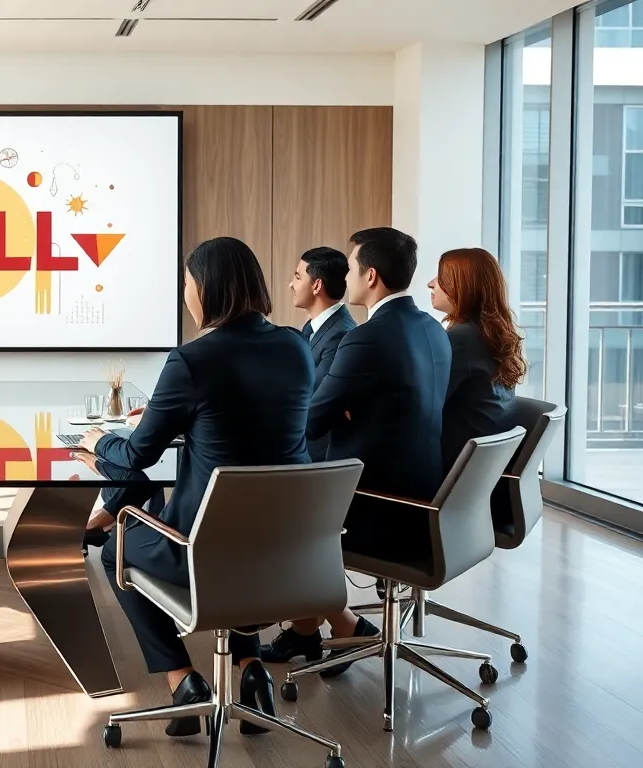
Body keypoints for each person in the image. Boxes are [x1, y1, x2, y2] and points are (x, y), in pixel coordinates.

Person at [75, 237, 314, 739]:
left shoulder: (191, 360)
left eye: (187, 283)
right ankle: (251, 668)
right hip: (284, 550)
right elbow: (253, 428)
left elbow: (138, 455)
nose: (185, 293)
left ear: (207, 287)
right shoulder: (296, 347)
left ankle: (182, 679)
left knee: (115, 549)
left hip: (201, 551)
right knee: (240, 537)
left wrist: (99, 442)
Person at [261, 227, 451, 672]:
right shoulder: (432, 328)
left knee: (277, 519)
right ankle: (307, 632)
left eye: (349, 268)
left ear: (370, 276)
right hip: (426, 497)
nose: (344, 277)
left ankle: (345, 626)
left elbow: (313, 419)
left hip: (378, 503)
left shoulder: (367, 338)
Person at [427, 247, 526, 472]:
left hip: (454, 466)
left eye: (440, 278)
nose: (431, 284)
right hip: (482, 467)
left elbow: (426, 403)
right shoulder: (487, 332)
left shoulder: (461, 339)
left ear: (462, 286)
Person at [288, 246, 356, 461]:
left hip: (320, 454)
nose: (291, 284)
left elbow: (315, 397)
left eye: (297, 277)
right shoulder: (312, 327)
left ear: (317, 285)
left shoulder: (341, 333)